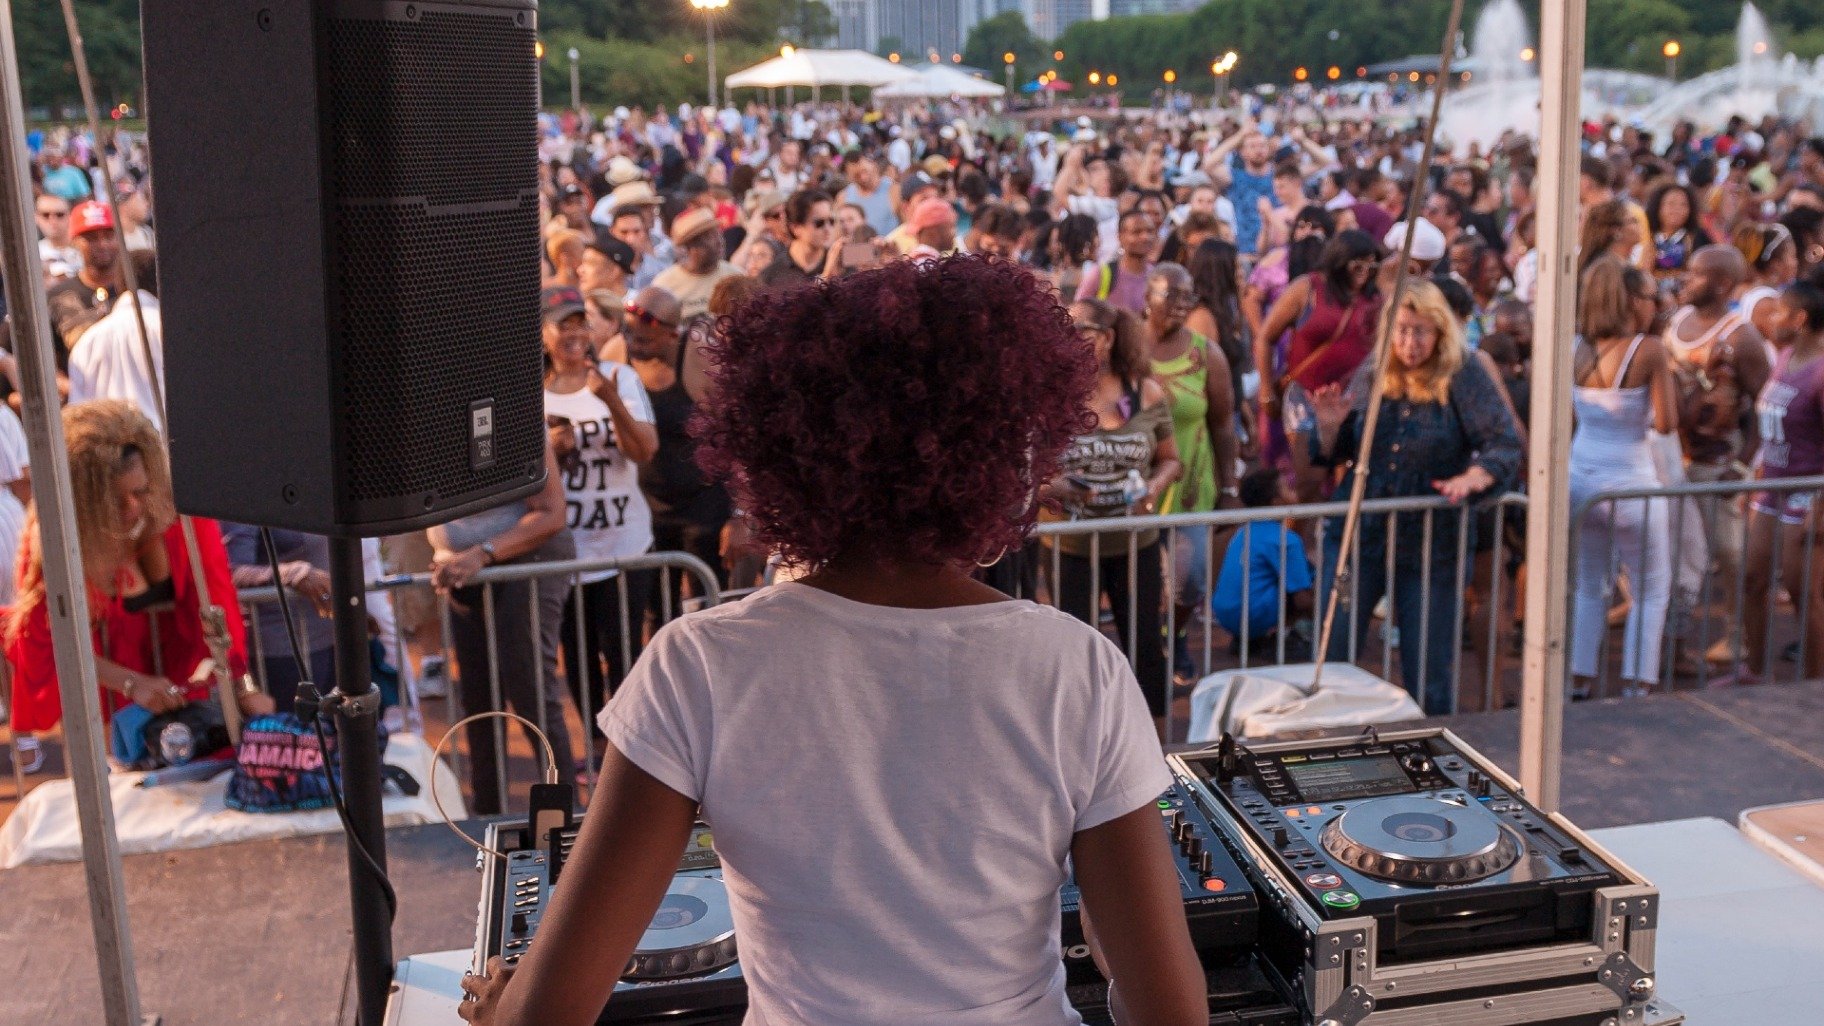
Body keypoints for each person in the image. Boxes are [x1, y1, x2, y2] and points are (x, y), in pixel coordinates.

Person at [460, 255, 1207, 1026]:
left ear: (786, 453)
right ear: (1002, 455)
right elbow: (1169, 1010)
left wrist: (497, 1012)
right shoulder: (1075, 667)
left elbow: (547, 1013)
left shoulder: (698, 666)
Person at [5, 401, 269, 756]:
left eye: (140, 492)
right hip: (103, 716)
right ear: (83, 498)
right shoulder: (51, 537)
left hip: (182, 702)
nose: (132, 507)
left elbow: (218, 604)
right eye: (115, 499)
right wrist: (129, 684)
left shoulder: (180, 518)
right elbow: (50, 643)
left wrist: (244, 686)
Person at [1310, 278, 1523, 714]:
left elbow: (1504, 442)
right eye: (1402, 330)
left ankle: (1431, 761)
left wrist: (1476, 476)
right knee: (1334, 656)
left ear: (1440, 331)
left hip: (1432, 545)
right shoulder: (1375, 371)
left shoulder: (1462, 373)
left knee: (1429, 670)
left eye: (1420, 331)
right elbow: (1345, 451)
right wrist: (1331, 427)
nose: (1409, 342)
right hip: (1360, 536)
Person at [1040, 298, 1183, 731]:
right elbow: (1024, 469)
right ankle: (1081, 747)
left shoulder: (1144, 391)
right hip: (1068, 542)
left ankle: (1157, 759)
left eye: (1079, 329)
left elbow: (1171, 460)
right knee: (1074, 652)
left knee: (1145, 649)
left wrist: (1153, 488)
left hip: (1133, 540)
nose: (1069, 338)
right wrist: (1054, 488)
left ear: (1107, 337)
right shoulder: (1050, 394)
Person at [428, 438, 576, 817]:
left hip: (526, 559)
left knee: (529, 689)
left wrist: (483, 552)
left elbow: (552, 513)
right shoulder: (423, 416)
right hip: (461, 572)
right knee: (479, 701)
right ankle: (488, 818)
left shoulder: (516, 409)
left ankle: (562, 822)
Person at [542, 286, 659, 762]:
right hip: (568, 549)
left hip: (626, 543)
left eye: (580, 324)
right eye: (562, 325)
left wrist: (610, 399)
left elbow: (645, 450)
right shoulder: (533, 391)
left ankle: (632, 753)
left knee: (626, 651)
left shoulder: (620, 376)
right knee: (580, 656)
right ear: (543, 334)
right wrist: (552, 449)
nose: (573, 334)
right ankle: (597, 751)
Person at [1567, 260, 1678, 699]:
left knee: (1589, 583)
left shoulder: (1575, 345)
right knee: (1652, 588)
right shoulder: (1649, 350)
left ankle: (1580, 679)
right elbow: (1667, 423)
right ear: (1631, 301)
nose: (1657, 303)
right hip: (1633, 483)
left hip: (1581, 481)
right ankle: (1637, 684)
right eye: (1650, 295)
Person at [1666, 245, 1771, 662]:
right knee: (1675, 558)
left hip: (1718, 465)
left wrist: (1743, 465)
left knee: (1731, 555)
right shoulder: (1676, 323)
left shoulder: (1741, 336)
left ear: (1723, 284)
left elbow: (1765, 408)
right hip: (1673, 460)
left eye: (1696, 275)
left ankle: (1739, 636)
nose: (1686, 281)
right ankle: (1673, 645)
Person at [1146, 264, 1238, 679]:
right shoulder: (1126, 349)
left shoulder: (1207, 353)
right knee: (1139, 584)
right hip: (1137, 491)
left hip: (1190, 488)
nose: (1182, 306)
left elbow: (1222, 423)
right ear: (1149, 296)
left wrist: (1230, 484)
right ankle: (1145, 651)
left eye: (1188, 297)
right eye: (1172, 296)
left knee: (1191, 579)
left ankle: (1174, 633)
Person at [1730, 281, 1824, 685]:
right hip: (1771, 488)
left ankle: (1812, 683)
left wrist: (1819, 513)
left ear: (1800, 320)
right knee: (1752, 580)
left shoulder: (1821, 371)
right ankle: (1754, 670)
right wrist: (1754, 476)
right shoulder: (1785, 356)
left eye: (1778, 311)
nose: (1769, 317)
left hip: (1808, 495)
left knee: (1804, 594)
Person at [1257, 230, 1385, 502]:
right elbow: (1266, 337)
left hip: (1352, 398)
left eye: (1372, 265)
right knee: (1309, 482)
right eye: (1358, 265)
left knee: (1349, 483)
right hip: (1305, 395)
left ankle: (1336, 542)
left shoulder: (1375, 299)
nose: (1365, 272)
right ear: (1340, 261)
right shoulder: (1308, 288)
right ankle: (1298, 543)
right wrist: (1267, 389)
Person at [222, 525, 334, 711]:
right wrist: (290, 573)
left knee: (335, 736)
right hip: (282, 653)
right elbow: (231, 571)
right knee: (296, 736)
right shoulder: (243, 498)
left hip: (330, 641)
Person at [1212, 468, 1315, 661]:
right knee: (1311, 583)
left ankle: (1249, 641)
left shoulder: (1243, 531)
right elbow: (1302, 598)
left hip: (1224, 612)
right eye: (1288, 489)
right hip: (1251, 615)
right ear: (1276, 502)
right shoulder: (1286, 539)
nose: (1294, 492)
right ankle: (1281, 639)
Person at [68, 249, 165, 429]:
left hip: (105, 451)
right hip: (165, 447)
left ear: (119, 284)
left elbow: (79, 417)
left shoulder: (87, 342)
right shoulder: (166, 330)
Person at [46, 201, 125, 366]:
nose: (102, 244)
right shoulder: (57, 296)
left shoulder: (137, 289)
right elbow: (50, 366)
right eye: (91, 238)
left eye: (109, 236)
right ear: (75, 241)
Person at [652, 208, 738, 322]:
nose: (719, 241)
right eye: (709, 237)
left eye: (718, 234)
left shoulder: (735, 277)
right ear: (690, 247)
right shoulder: (664, 285)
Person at [1733, 221, 1799, 350]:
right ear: (1776, 265)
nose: (1796, 263)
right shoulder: (1767, 303)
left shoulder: (1766, 294)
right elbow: (1784, 348)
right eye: (1792, 256)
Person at [1076, 210, 1157, 314]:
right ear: (1120, 237)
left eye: (1150, 231)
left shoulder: (1156, 277)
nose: (1145, 237)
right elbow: (1078, 313)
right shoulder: (1102, 274)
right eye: (1136, 232)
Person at [758, 189, 835, 287]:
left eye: (831, 221)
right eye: (819, 223)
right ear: (796, 228)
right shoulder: (770, 276)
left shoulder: (842, 264)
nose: (828, 229)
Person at [1646, 181, 1710, 281]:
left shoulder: (1698, 237)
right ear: (1658, 207)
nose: (1677, 209)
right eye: (1671, 204)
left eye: (1683, 205)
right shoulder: (1646, 235)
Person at [838, 153, 896, 237]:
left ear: (874, 164)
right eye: (856, 175)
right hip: (857, 248)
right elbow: (838, 232)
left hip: (888, 247)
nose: (863, 178)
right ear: (849, 176)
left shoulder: (893, 190)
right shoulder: (844, 197)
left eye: (864, 171)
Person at [35, 193, 80, 280]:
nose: (53, 221)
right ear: (36, 217)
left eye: (59, 215)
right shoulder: (34, 253)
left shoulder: (85, 248)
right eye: (45, 215)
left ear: (70, 216)